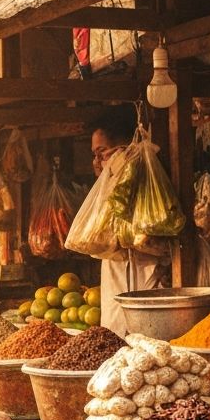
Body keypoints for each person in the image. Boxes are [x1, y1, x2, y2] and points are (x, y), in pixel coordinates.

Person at [87, 107, 170, 334]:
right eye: (94, 155)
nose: (97, 161)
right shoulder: (111, 192)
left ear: (124, 150)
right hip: (118, 285)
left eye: (102, 152)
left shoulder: (149, 186)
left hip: (147, 286)